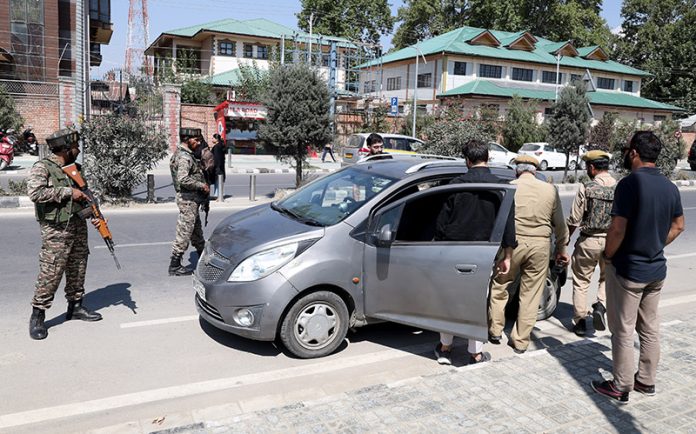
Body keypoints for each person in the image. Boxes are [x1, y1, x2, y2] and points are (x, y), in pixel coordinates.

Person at [591, 131, 684, 404]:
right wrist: (655, 244)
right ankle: (646, 380)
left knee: (622, 329)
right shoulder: (670, 186)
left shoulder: (629, 185)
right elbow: (679, 226)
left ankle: (620, 386)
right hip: (656, 270)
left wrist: (608, 255)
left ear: (634, 153)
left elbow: (617, 230)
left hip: (629, 271)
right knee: (650, 327)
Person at [433, 139, 517, 365]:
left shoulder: (455, 185)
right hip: (484, 254)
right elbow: (509, 226)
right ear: (488, 158)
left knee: (448, 300)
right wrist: (507, 257)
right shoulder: (502, 187)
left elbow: (441, 224)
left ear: (467, 161)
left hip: (452, 251)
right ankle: (476, 353)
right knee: (477, 302)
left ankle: (445, 348)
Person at [488, 155, 569, 354]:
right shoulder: (550, 189)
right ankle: (520, 341)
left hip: (512, 245)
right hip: (540, 246)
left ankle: (495, 331)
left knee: (500, 286)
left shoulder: (510, 186)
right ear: (534, 171)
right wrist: (561, 250)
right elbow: (560, 225)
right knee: (531, 294)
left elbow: (498, 221)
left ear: (517, 170)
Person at [27, 129, 102, 340]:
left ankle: (75, 306)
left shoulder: (75, 168)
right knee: (52, 270)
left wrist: (93, 212)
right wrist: (69, 192)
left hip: (78, 225)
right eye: (76, 146)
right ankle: (38, 315)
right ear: (66, 149)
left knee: (78, 266)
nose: (79, 150)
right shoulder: (43, 168)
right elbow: (35, 193)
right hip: (56, 230)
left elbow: (84, 196)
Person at [566, 150, 616, 336]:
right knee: (607, 277)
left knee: (581, 281)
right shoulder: (619, 187)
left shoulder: (586, 187)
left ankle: (580, 322)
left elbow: (574, 219)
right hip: (612, 240)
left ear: (592, 168)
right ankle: (601, 306)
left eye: (588, 167)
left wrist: (566, 240)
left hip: (589, 241)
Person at [169, 134, 210, 276]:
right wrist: (201, 185)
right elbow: (183, 179)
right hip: (187, 199)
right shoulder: (185, 157)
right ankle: (174, 264)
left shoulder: (183, 153)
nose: (198, 143)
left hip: (191, 200)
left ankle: (203, 259)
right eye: (196, 140)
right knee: (185, 231)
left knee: (196, 230)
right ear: (187, 139)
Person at [210, 133, 227, 198]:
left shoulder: (216, 147)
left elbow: (217, 158)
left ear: (216, 139)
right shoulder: (221, 145)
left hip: (218, 167)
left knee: (217, 180)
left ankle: (217, 194)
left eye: (213, 138)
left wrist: (215, 166)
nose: (212, 139)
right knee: (219, 181)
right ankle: (218, 194)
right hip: (221, 166)